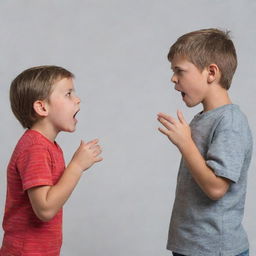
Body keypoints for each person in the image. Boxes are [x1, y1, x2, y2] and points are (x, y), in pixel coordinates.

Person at [157, 28, 252, 256]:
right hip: (192, 246)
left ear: (211, 72)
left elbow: (216, 187)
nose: (173, 78)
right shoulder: (204, 119)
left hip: (215, 249)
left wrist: (185, 143)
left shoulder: (230, 122)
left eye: (180, 71)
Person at [0, 66, 103, 255]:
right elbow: (45, 209)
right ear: (42, 107)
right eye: (68, 94)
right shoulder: (35, 148)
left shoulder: (47, 146)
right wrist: (77, 166)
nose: (77, 99)